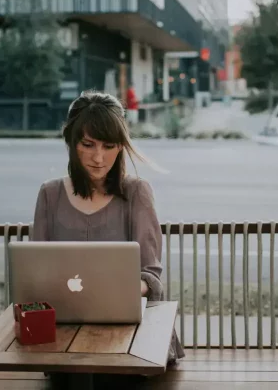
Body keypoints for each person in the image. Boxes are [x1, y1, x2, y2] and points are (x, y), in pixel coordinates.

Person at [32, 90, 185, 364]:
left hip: (133, 338)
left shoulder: (137, 192)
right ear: (70, 141)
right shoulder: (49, 194)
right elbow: (34, 271)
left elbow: (151, 277)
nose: (99, 158)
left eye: (109, 146)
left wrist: (108, 291)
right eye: (88, 144)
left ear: (121, 146)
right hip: (64, 336)